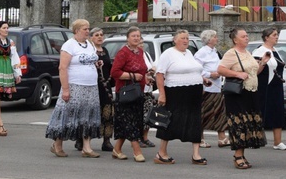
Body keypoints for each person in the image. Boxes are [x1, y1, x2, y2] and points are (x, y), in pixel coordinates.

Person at [45, 19, 102, 158]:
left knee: (87, 115)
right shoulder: (69, 45)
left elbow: (91, 59)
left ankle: (86, 148)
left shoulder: (89, 44)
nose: (88, 31)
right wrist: (65, 89)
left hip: (91, 86)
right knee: (67, 114)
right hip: (74, 85)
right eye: (85, 29)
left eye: (88, 28)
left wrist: (96, 63)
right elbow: (62, 68)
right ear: (76, 31)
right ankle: (57, 145)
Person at [155, 29, 207, 166]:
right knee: (171, 120)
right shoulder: (168, 54)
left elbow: (191, 69)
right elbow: (159, 74)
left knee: (195, 120)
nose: (185, 41)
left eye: (187, 38)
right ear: (175, 40)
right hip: (175, 92)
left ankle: (196, 154)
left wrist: (203, 79)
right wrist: (162, 94)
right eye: (182, 38)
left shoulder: (189, 53)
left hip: (194, 91)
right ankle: (161, 153)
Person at [217, 27, 267, 169]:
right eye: (243, 36)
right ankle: (238, 155)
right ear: (235, 39)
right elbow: (220, 69)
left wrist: (262, 62)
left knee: (249, 124)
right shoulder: (231, 53)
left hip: (251, 92)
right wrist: (237, 74)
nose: (247, 38)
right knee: (240, 124)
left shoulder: (247, 52)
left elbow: (254, 72)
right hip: (238, 94)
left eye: (247, 35)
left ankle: (241, 155)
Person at [109, 26, 148, 162]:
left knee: (133, 122)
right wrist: (132, 75)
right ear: (128, 38)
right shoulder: (123, 53)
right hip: (126, 93)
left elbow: (143, 71)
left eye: (138, 36)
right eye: (133, 36)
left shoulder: (140, 51)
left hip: (138, 92)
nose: (136, 38)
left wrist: (147, 77)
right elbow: (115, 72)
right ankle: (137, 151)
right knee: (129, 122)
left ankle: (117, 149)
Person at [252, 27, 286, 150]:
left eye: (277, 34)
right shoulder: (259, 51)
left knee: (277, 112)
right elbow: (255, 71)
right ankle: (255, 139)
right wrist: (262, 61)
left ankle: (278, 142)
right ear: (266, 37)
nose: (276, 37)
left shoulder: (275, 51)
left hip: (276, 87)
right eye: (274, 35)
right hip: (264, 87)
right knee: (260, 111)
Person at [194, 29, 229, 148]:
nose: (217, 39)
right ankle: (200, 138)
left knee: (220, 112)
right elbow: (197, 69)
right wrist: (209, 74)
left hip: (217, 87)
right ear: (208, 39)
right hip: (207, 87)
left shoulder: (215, 51)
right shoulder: (201, 53)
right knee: (204, 113)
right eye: (214, 37)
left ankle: (222, 137)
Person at [88, 27, 114, 153]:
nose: (99, 37)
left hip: (105, 86)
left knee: (108, 113)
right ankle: (82, 140)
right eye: (96, 35)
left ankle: (107, 141)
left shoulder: (105, 50)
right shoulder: (89, 51)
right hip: (93, 85)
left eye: (101, 35)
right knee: (91, 114)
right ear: (91, 37)